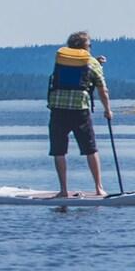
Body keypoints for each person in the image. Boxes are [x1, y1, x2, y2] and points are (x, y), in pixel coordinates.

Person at [47, 30, 114, 196]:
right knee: (90, 148)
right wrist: (107, 110)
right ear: (86, 47)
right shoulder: (92, 63)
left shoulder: (63, 60)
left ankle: (63, 190)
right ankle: (99, 188)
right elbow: (102, 89)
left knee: (59, 150)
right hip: (80, 109)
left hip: (58, 108)